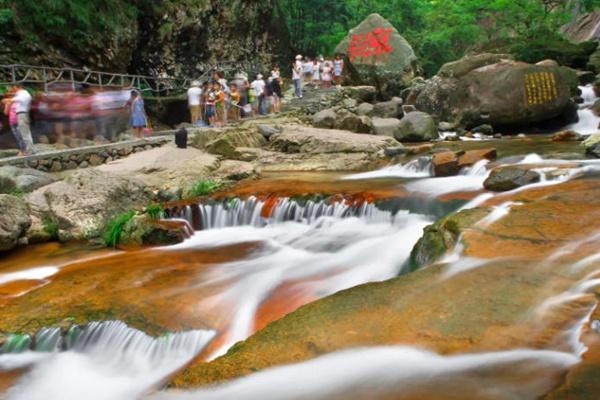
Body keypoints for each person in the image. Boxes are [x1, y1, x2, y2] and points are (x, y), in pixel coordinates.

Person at [12, 84, 35, 154]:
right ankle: (30, 149)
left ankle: (29, 150)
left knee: (25, 133)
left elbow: (18, 99)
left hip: (22, 114)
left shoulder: (24, 94)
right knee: (25, 132)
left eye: (14, 88)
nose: (13, 90)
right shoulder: (22, 94)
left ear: (18, 87)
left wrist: (9, 99)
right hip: (22, 114)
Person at [2, 87, 25, 155]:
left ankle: (23, 150)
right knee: (17, 136)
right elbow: (6, 113)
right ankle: (22, 150)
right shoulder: (9, 103)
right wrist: (7, 105)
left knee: (21, 136)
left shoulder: (19, 101)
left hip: (19, 121)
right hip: (12, 122)